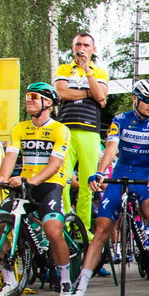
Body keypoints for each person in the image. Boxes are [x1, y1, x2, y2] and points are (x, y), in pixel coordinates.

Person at [64, 80, 149, 296]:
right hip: (121, 171)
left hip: (145, 172)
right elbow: (111, 149)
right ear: (135, 99)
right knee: (102, 228)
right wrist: (99, 173)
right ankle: (81, 286)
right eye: (147, 100)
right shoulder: (120, 120)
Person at [0, 83, 72, 296]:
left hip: (49, 184)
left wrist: (33, 181)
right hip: (24, 184)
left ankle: (65, 281)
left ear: (48, 103)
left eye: (34, 97)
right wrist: (4, 177)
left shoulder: (60, 129)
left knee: (53, 230)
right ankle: (9, 279)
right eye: (27, 96)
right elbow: (10, 155)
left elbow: (55, 164)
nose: (28, 100)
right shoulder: (19, 128)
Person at [53, 32, 109, 229]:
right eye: (78, 44)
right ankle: (65, 225)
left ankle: (83, 228)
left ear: (93, 49)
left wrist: (87, 70)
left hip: (90, 129)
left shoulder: (99, 71)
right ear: (72, 47)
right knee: (63, 179)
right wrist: (88, 93)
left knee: (88, 182)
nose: (81, 48)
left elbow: (101, 95)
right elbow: (60, 93)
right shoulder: (63, 68)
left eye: (86, 45)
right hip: (65, 129)